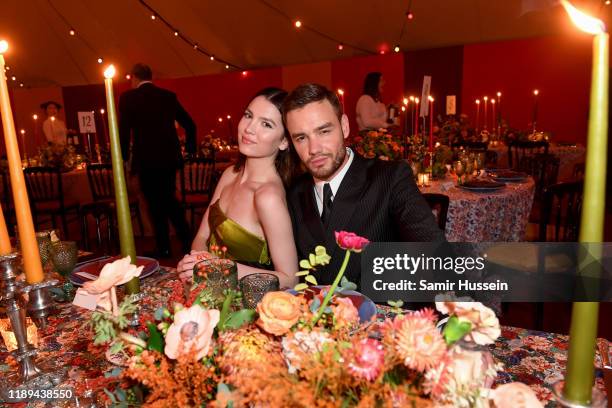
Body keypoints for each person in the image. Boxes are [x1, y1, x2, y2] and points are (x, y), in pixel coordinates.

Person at [283, 83, 445, 287]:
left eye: (323, 131)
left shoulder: (390, 178)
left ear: (344, 126)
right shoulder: (294, 194)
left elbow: (434, 251)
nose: (314, 149)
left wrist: (466, 311)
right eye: (301, 138)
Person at [176, 88, 298, 289]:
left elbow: (290, 279)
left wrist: (216, 267)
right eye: (248, 116)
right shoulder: (230, 174)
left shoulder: (267, 196)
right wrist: (196, 263)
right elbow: (201, 236)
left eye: (266, 124)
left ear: (284, 141)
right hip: (210, 291)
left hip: (244, 307)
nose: (249, 128)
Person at [119, 63, 195, 258]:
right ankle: (185, 240)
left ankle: (167, 246)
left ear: (134, 78)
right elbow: (190, 124)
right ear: (150, 77)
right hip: (169, 158)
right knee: (167, 198)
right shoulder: (167, 96)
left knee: (156, 204)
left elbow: (124, 131)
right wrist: (191, 151)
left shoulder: (128, 98)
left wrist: (124, 159)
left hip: (146, 159)